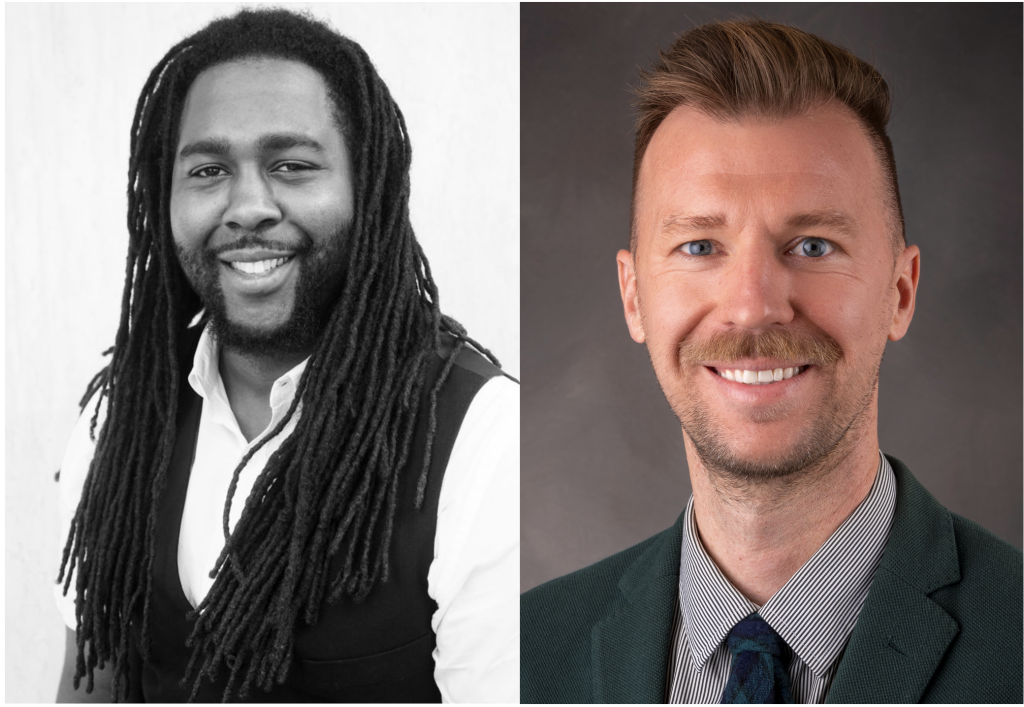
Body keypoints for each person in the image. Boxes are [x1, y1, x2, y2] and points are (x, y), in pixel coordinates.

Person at [521, 18, 1021, 704]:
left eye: (813, 245)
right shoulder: (523, 657)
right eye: (700, 246)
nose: (753, 305)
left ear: (899, 293)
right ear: (634, 297)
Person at [54, 8, 518, 703]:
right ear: (166, 196)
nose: (248, 206)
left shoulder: (482, 440)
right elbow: (90, 684)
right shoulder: (119, 419)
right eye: (209, 169)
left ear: (370, 189)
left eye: (292, 165)